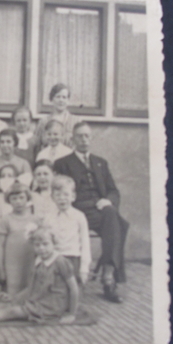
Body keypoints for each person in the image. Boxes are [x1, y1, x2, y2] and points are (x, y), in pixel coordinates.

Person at [53, 122, 129, 303]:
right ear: (72, 139)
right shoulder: (63, 163)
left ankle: (108, 272)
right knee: (120, 224)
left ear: (91, 138)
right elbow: (60, 190)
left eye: (87, 136)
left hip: (100, 209)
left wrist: (108, 200)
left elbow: (113, 190)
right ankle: (108, 278)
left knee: (114, 217)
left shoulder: (101, 163)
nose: (84, 140)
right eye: (79, 136)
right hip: (78, 209)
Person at [0, 227, 79, 325]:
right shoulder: (39, 261)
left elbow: (73, 288)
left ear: (54, 244)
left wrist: (72, 314)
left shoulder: (60, 261)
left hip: (52, 305)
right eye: (37, 245)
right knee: (7, 304)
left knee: (13, 311)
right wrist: (14, 297)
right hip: (39, 299)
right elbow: (32, 287)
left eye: (45, 244)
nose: (42, 249)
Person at [0, 182, 40, 297]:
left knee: (29, 287)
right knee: (12, 293)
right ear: (9, 201)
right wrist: (0, 269)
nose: (18, 202)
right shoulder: (6, 220)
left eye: (21, 198)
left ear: (27, 198)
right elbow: (0, 245)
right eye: (14, 198)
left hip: (29, 260)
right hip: (12, 263)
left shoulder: (35, 219)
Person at [50, 175, 91, 286]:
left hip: (73, 259)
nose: (62, 198)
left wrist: (84, 268)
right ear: (52, 197)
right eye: (58, 195)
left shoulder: (79, 216)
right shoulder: (49, 217)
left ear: (73, 196)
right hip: (56, 258)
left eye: (66, 194)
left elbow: (85, 243)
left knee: (73, 290)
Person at [34, 83, 81, 152]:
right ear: (52, 99)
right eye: (58, 97)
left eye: (64, 97)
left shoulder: (76, 121)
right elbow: (37, 144)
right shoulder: (43, 122)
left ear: (68, 100)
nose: (61, 100)